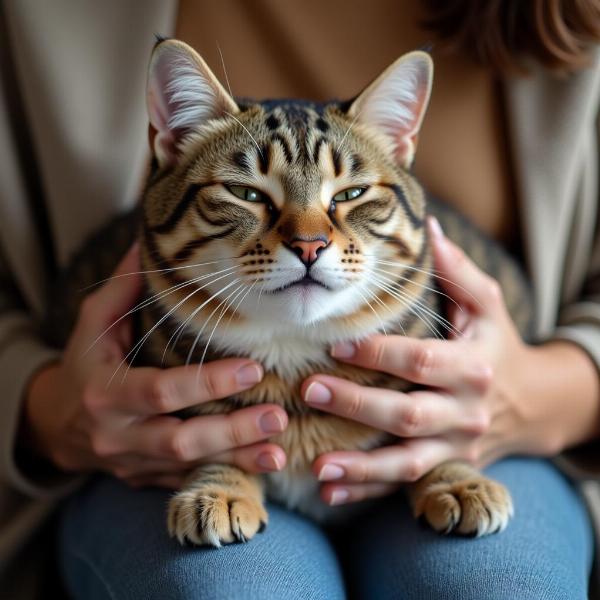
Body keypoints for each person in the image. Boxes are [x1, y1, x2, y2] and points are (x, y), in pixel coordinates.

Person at [1, 0, 599, 598]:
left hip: (511, 433)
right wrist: (46, 407)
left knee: (502, 585)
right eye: (246, 193)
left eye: (354, 195)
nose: (309, 239)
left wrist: (536, 396)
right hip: (118, 465)